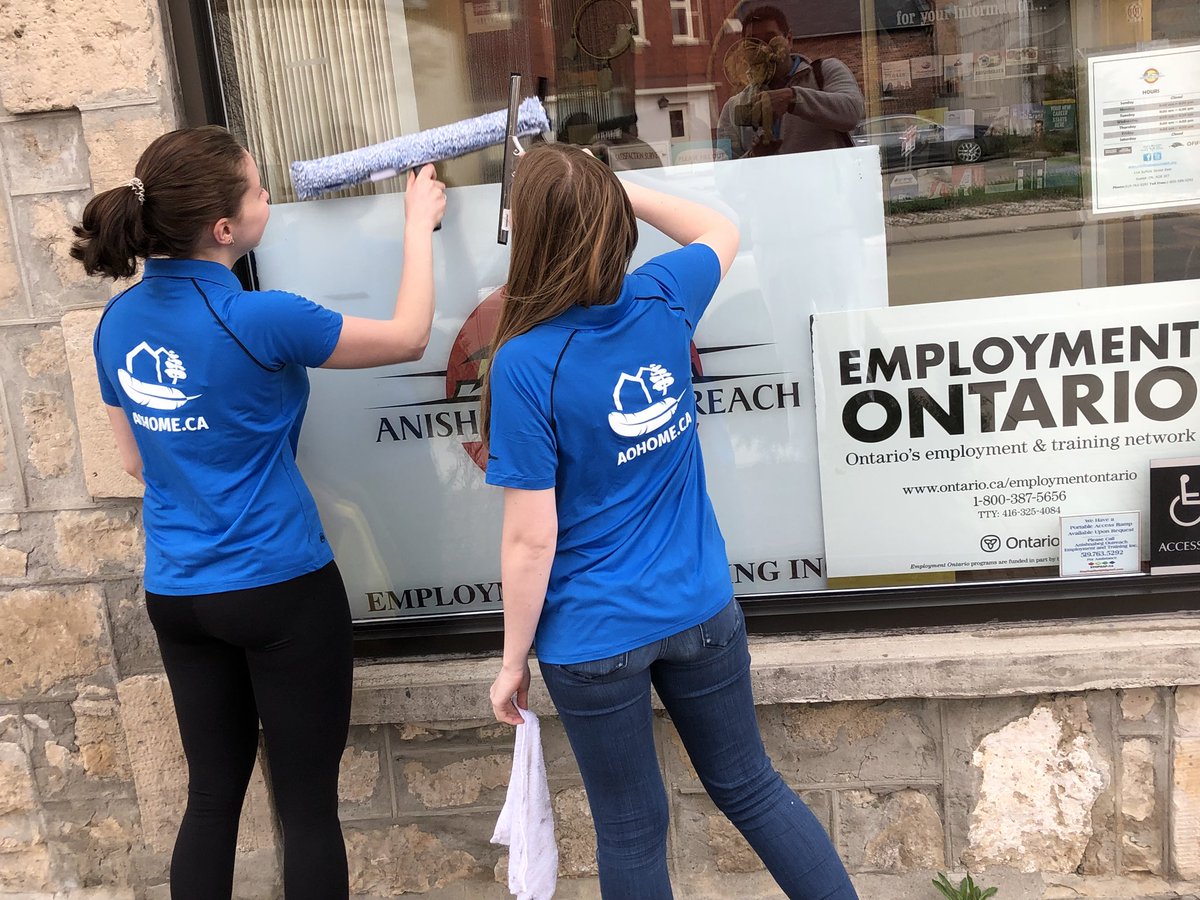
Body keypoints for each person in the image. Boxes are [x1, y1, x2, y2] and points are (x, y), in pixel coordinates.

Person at [70, 126, 445, 900]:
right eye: (260, 189)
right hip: (278, 586)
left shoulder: (117, 324)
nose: (269, 197)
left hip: (179, 593)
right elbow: (409, 336)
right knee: (307, 811)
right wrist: (417, 225)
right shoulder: (260, 317)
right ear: (224, 229)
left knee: (210, 800)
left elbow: (136, 461)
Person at [481, 143, 857, 900]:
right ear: (614, 224)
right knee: (751, 787)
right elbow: (718, 229)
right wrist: (615, 187)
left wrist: (511, 660)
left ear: (532, 240)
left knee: (630, 829)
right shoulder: (662, 297)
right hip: (700, 608)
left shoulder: (524, 361)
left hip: (594, 636)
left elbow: (531, 539)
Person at [717, 4, 864, 158]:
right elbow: (725, 173)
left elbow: (852, 112)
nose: (763, 48)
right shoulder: (733, 107)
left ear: (789, 40)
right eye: (754, 43)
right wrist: (754, 156)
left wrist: (792, 98)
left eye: (770, 39)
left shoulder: (825, 72)